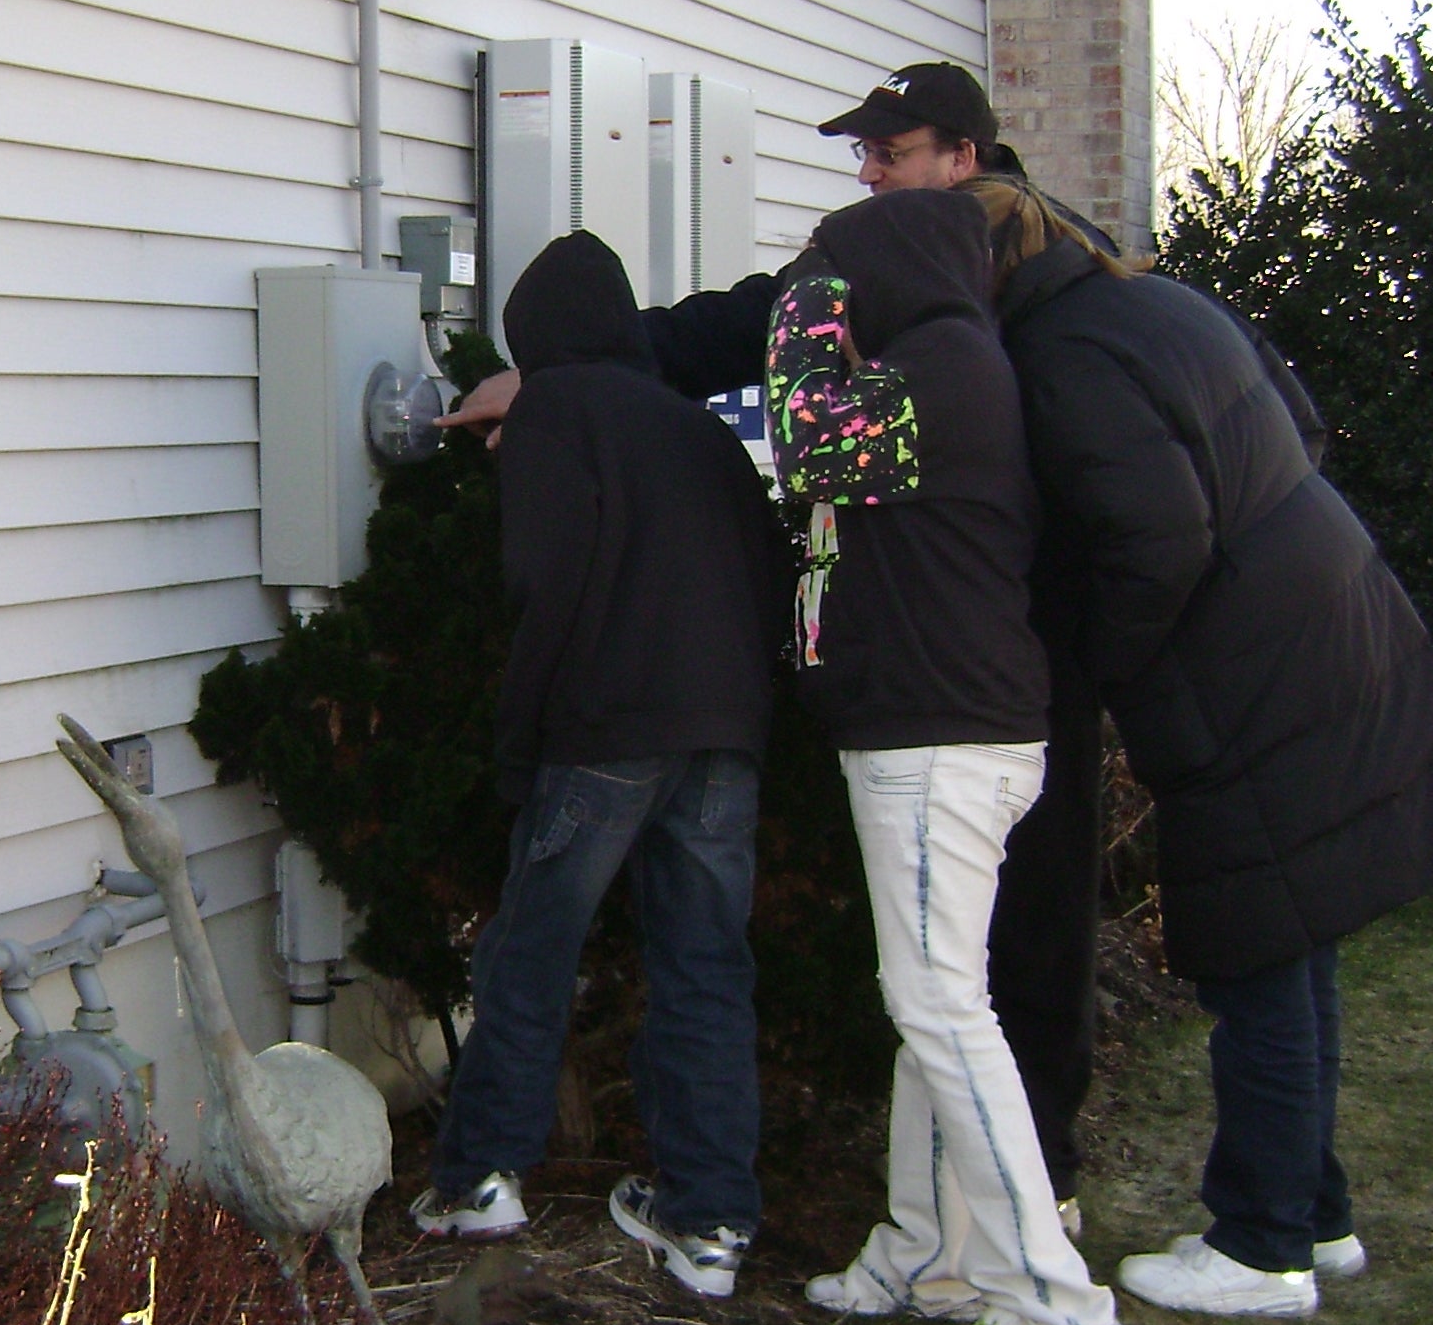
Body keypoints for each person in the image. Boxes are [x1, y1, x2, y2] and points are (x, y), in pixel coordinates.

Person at [438, 62, 1114, 1236]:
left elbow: (812, 450)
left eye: (887, 152)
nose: (865, 171)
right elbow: (734, 360)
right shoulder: (895, 304)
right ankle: (759, 1221)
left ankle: (1033, 1230)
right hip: (835, 699)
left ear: (963, 159)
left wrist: (564, 388)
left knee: (983, 975)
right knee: (855, 982)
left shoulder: (1024, 301)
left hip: (977, 675)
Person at [975, 181, 1433, 1319]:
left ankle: (1261, 1244)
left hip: (1243, 669)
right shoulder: (1158, 302)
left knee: (1258, 954)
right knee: (1298, 939)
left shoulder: (1059, 354)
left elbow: (1157, 538)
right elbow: (1301, 422)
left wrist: (1099, 666)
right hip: (1327, 615)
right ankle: (1315, 1218)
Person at [768, 187, 1120, 1325]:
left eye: (846, 279)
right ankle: (925, 1257)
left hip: (939, 742)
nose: (833, 302)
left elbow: (806, 444)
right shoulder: (945, 361)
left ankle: (1050, 1296)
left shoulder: (944, 370)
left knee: (940, 1009)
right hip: (940, 731)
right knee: (930, 998)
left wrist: (804, 298)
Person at [407, 232, 788, 1301]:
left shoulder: (557, 415)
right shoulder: (699, 430)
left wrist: (522, 745)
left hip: (603, 731)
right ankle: (707, 1224)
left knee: (529, 953)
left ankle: (480, 1179)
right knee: (706, 968)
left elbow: (543, 588)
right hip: (725, 732)